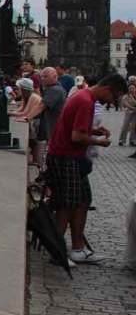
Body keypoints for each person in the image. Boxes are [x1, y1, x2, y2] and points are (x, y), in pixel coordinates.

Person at [45, 73, 128, 264]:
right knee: (66, 205)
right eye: (114, 96)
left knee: (82, 200)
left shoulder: (84, 97)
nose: (113, 101)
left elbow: (76, 128)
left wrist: (94, 130)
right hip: (66, 157)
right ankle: (57, 252)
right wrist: (99, 141)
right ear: (107, 89)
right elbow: (76, 137)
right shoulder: (86, 101)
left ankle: (78, 249)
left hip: (71, 157)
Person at [10, 77, 44, 167]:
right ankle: (34, 158)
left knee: (33, 140)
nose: (17, 90)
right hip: (33, 120)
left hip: (37, 121)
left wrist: (11, 114)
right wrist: (11, 113)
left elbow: (26, 113)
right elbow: (21, 110)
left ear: (24, 89)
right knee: (32, 140)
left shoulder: (33, 97)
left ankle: (36, 160)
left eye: (19, 88)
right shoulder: (26, 97)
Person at [39, 67, 67, 161]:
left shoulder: (55, 90)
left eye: (45, 76)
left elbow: (41, 106)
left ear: (55, 77)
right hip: (52, 127)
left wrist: (27, 117)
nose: (42, 79)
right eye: (42, 76)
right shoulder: (52, 88)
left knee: (52, 151)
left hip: (53, 127)